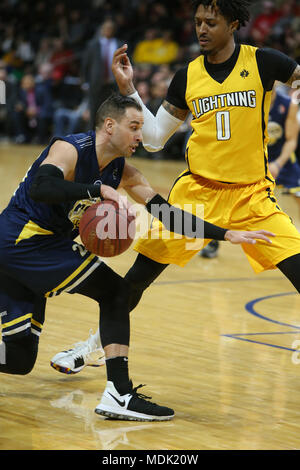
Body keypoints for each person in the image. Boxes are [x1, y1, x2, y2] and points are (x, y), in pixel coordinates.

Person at [52, 0, 300, 385]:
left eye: (211, 22)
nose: (201, 29)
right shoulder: (187, 76)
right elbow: (152, 140)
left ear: (233, 24)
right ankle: (92, 347)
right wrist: (129, 88)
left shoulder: (265, 61)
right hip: (196, 192)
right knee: (137, 279)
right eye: (198, 21)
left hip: (252, 196)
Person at [0, 93, 269, 422]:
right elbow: (42, 186)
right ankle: (119, 393)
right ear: (110, 126)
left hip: (28, 251)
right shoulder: (70, 149)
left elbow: (167, 215)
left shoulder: (122, 170)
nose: (142, 136)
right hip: (21, 242)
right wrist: (96, 191)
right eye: (135, 127)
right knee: (115, 292)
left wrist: (226, 234)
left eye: (142, 128)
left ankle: (117, 392)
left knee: (18, 359)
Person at [199, 83, 300, 258]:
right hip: (251, 160)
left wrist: (277, 164)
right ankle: (213, 241)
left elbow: (291, 140)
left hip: (281, 159)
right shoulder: (245, 101)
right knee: (224, 199)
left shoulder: (288, 103)